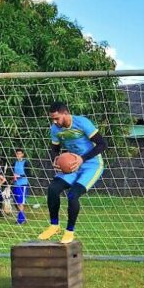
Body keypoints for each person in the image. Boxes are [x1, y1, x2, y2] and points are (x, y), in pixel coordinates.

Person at [38, 102, 107, 244]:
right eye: (52, 119)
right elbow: (55, 149)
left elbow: (102, 144)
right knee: (52, 189)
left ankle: (69, 231)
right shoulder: (55, 129)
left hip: (91, 165)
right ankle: (54, 226)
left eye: (57, 118)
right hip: (72, 166)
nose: (54, 121)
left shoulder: (82, 123)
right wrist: (55, 159)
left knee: (72, 195)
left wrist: (83, 159)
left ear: (65, 113)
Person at [12, 148, 30, 224]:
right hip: (15, 184)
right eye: (17, 154)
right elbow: (12, 173)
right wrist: (12, 178)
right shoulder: (14, 163)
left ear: (22, 154)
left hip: (23, 184)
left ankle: (20, 220)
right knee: (16, 202)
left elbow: (29, 174)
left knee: (20, 202)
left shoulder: (26, 163)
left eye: (20, 153)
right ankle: (22, 217)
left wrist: (19, 176)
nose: (18, 155)